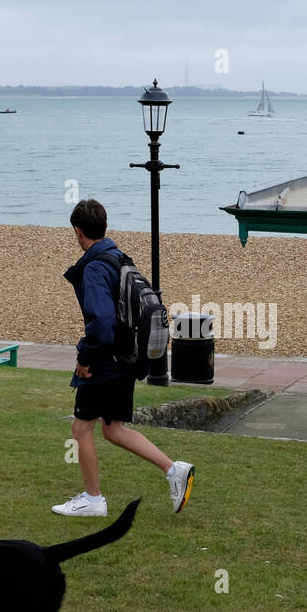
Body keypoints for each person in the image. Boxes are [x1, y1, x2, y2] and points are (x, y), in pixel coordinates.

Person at [53, 199, 195, 517]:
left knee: (80, 427)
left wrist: (85, 357)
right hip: (128, 358)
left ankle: (93, 500)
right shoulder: (119, 258)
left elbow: (102, 322)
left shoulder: (94, 267)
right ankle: (175, 470)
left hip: (106, 360)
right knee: (112, 427)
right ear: (104, 226)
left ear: (77, 232)